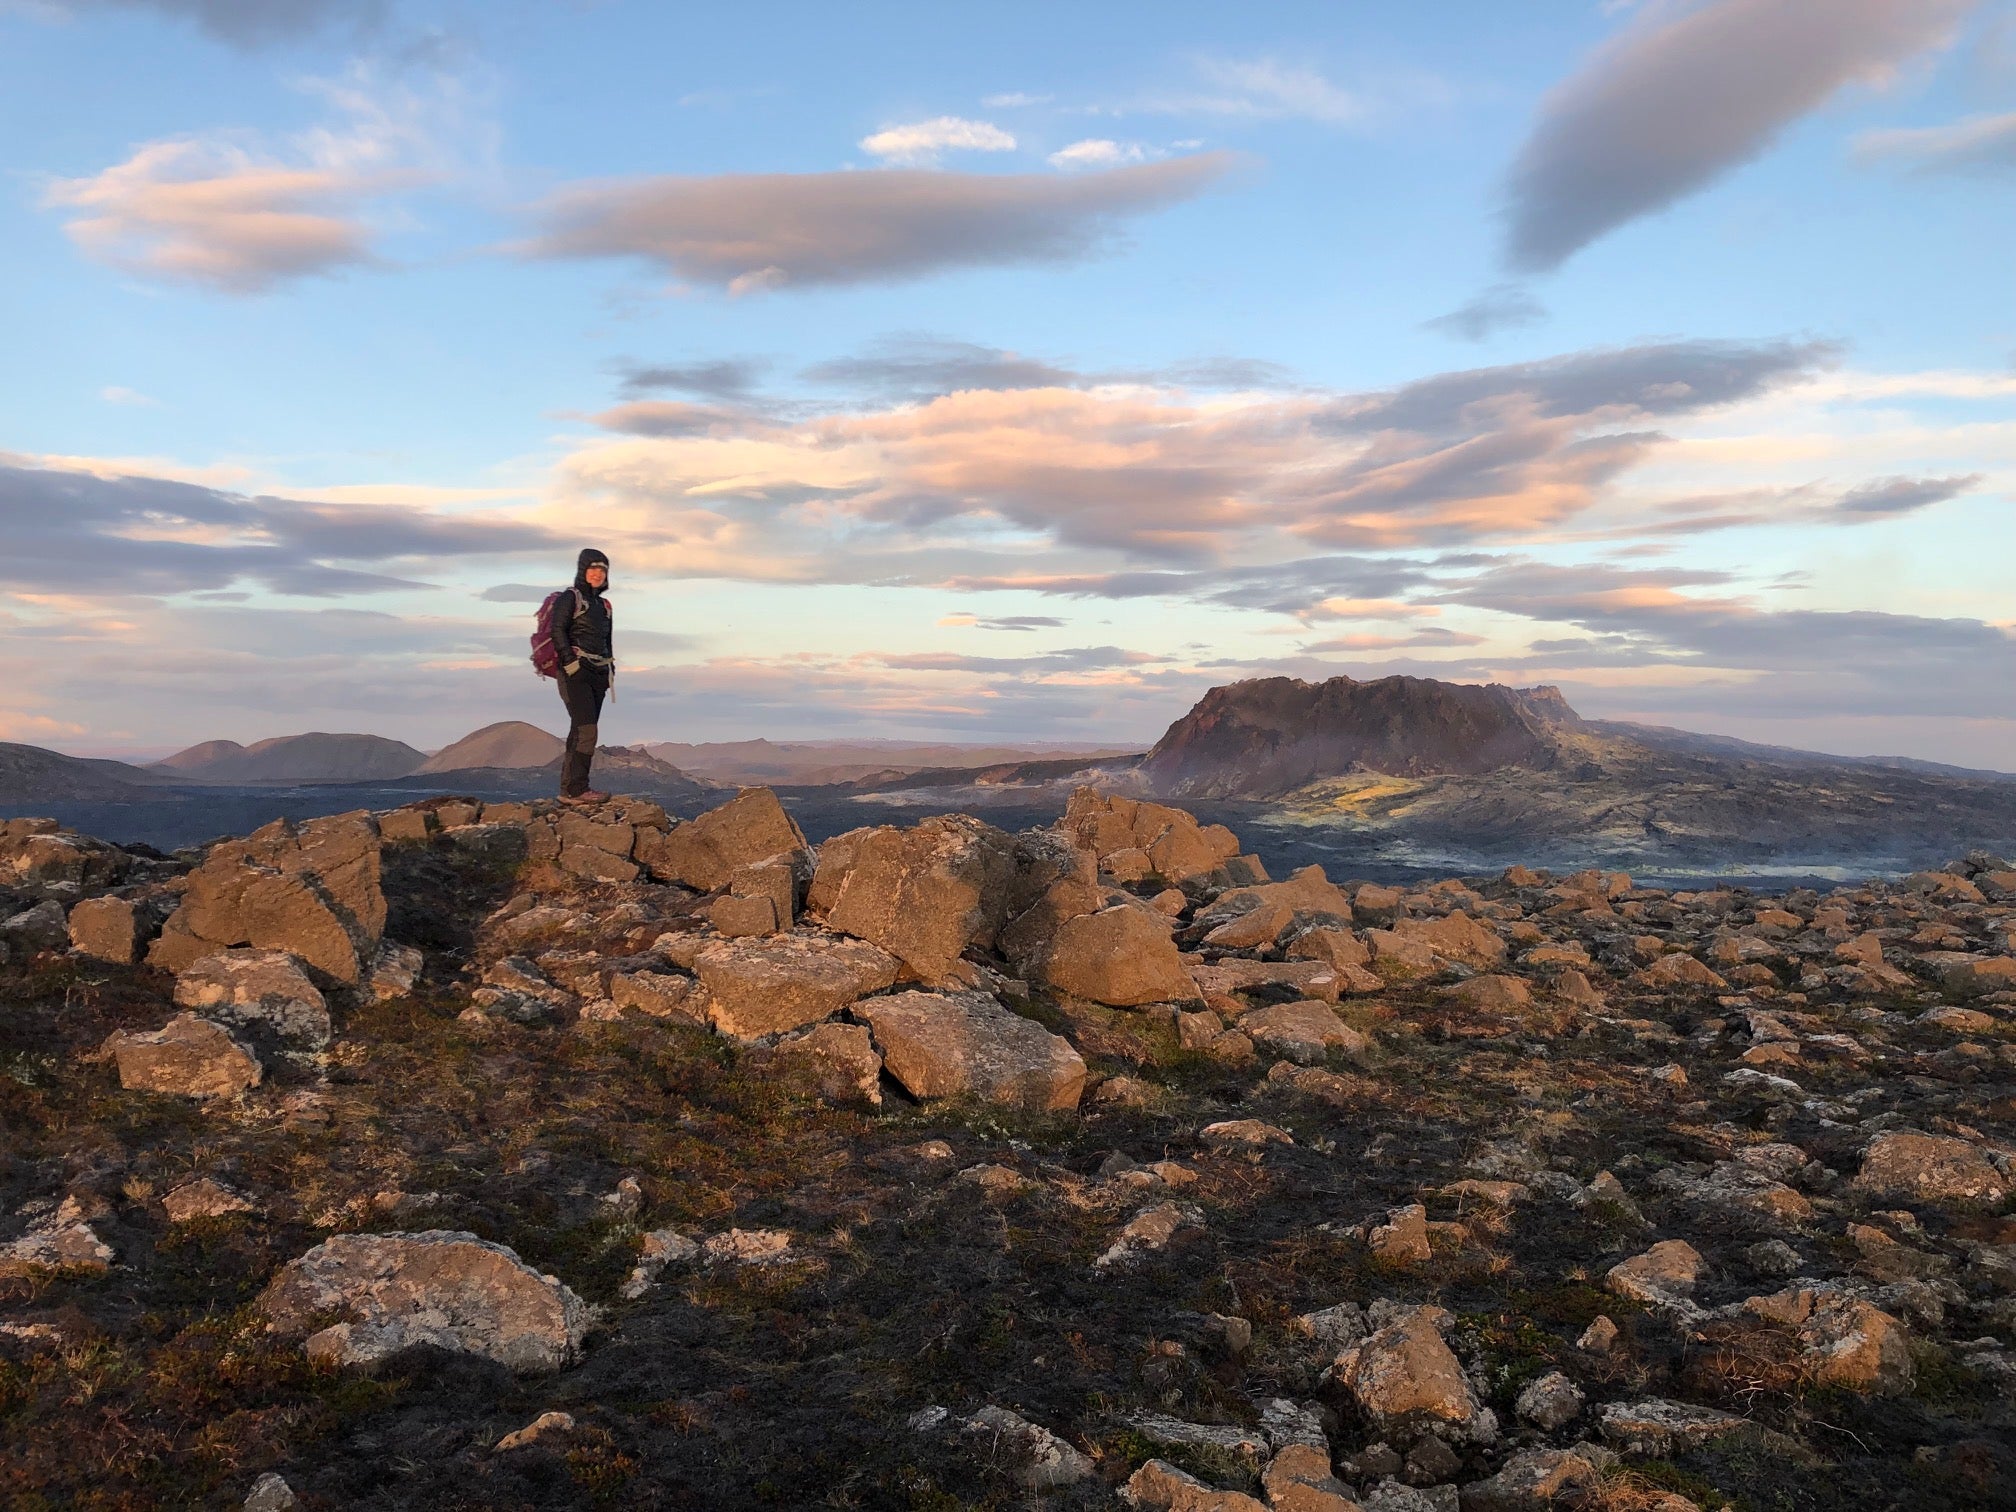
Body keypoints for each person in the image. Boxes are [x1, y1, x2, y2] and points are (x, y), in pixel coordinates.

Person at [552, 547, 614, 803]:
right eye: (593, 568)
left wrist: (610, 671)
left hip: (598, 673)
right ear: (583, 570)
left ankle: (571, 788)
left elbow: (606, 640)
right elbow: (558, 630)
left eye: (602, 569)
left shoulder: (603, 605)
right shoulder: (570, 598)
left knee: (582, 730)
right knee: (586, 730)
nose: (598, 574)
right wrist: (570, 663)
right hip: (576, 671)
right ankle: (577, 789)